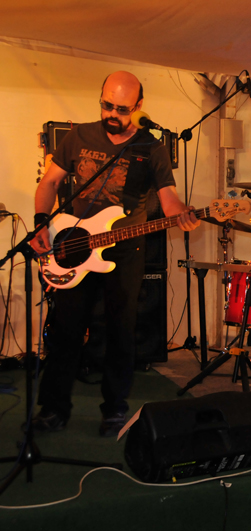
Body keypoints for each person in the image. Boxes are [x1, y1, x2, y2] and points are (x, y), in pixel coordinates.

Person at [30, 71, 200, 436]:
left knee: (120, 331)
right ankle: (54, 408)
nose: (112, 114)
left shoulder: (150, 147)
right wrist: (41, 222)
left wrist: (183, 215)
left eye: (122, 109)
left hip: (124, 250)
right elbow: (50, 181)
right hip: (75, 244)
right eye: (106, 105)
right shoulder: (79, 136)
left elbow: (169, 200)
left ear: (138, 106)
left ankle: (114, 409)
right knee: (65, 328)